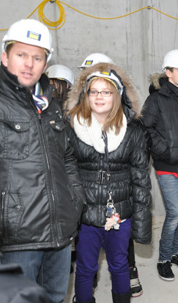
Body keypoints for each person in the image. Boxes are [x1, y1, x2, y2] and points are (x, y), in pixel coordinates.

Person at [0, 19, 84, 303]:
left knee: (56, 297)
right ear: (4, 56)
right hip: (17, 236)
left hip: (59, 230)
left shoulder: (50, 104)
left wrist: (74, 197)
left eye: (37, 57)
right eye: (21, 55)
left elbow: (67, 156)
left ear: (45, 64)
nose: (29, 64)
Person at [66, 64, 152, 303]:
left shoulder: (133, 131)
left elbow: (141, 180)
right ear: (86, 95)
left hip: (120, 214)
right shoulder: (72, 128)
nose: (100, 96)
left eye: (106, 91)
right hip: (86, 215)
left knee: (119, 265)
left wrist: (142, 223)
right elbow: (66, 173)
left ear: (117, 95)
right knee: (85, 268)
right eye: (94, 91)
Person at [142, 49, 178, 281]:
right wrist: (163, 150)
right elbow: (145, 129)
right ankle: (164, 259)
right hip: (167, 167)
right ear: (168, 72)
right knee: (175, 214)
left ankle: (176, 253)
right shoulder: (156, 99)